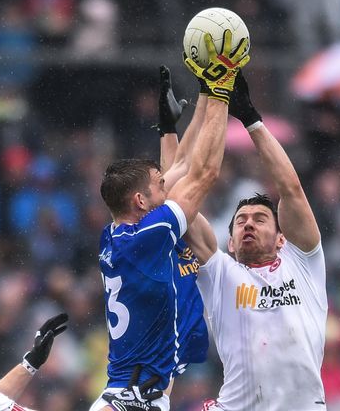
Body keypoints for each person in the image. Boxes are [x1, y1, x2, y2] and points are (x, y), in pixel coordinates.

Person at [91, 31, 251, 411]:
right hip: (132, 400)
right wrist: (220, 90)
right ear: (140, 201)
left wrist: (179, 119)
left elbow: (178, 170)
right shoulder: (149, 234)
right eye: (159, 187)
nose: (168, 187)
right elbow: (204, 172)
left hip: (137, 394)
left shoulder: (125, 234)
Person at [161, 70, 328, 410]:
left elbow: (291, 189)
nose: (249, 223)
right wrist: (171, 130)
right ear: (232, 243)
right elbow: (175, 204)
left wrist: (251, 120)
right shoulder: (221, 272)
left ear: (281, 239)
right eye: (241, 221)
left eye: (260, 219)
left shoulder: (304, 263)